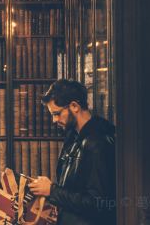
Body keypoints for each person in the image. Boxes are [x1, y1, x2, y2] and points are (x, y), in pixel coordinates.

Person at [28, 79, 116, 225]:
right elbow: (73, 190)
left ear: (74, 106)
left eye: (57, 113)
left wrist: (52, 191)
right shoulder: (73, 136)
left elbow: (98, 204)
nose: (54, 120)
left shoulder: (97, 143)